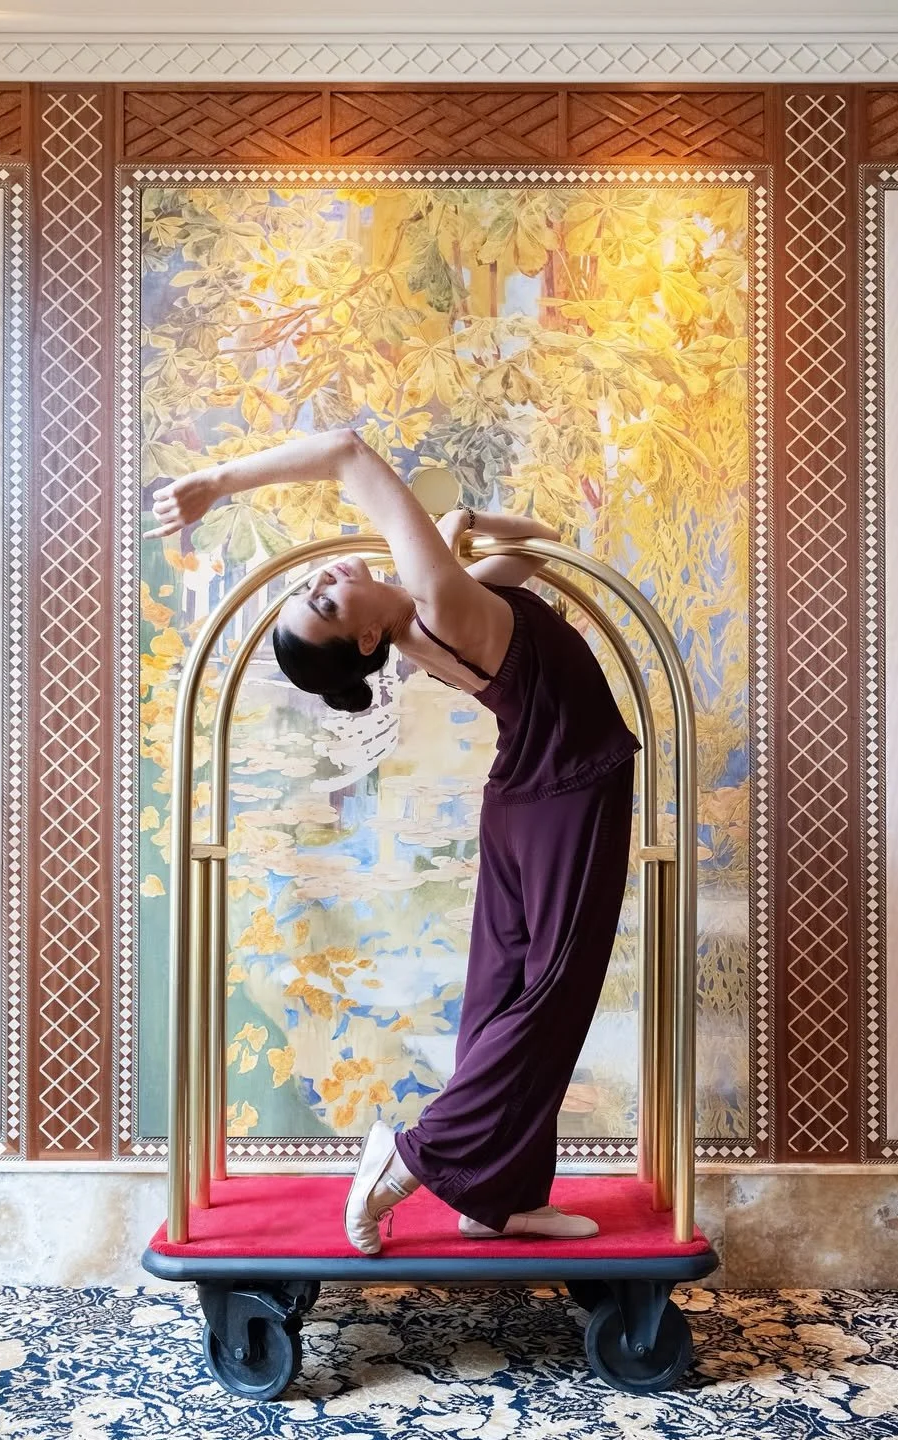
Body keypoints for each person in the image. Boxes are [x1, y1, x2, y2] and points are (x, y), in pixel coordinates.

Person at [148, 429, 641, 1254]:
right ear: (366, 642)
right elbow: (348, 453)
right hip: (569, 794)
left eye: (314, 588)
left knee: (500, 998)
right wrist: (217, 482)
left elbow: (531, 554)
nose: (329, 579)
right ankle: (413, 1160)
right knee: (549, 996)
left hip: (524, 796)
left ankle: (499, 1197)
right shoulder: (441, 604)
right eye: (329, 605)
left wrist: (472, 521)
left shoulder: (434, 610)